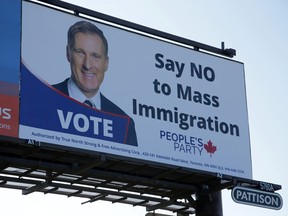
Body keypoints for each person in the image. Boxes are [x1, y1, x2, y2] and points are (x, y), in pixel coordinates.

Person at [53, 20, 137, 146]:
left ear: (106, 63)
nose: (87, 65)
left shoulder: (124, 123)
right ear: (68, 54)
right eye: (80, 53)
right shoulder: (41, 100)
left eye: (95, 56)